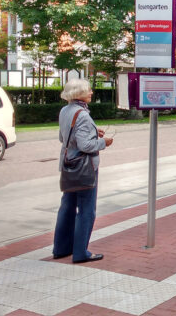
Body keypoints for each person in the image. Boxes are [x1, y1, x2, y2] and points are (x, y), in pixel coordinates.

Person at [53, 79, 113, 263]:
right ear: (78, 93)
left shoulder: (65, 111)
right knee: (87, 210)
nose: (91, 92)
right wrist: (103, 142)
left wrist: (93, 133)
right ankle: (81, 252)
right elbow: (86, 146)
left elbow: (63, 137)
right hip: (84, 168)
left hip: (68, 165)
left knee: (67, 206)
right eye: (88, 90)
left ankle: (61, 248)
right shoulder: (83, 115)